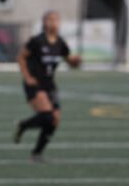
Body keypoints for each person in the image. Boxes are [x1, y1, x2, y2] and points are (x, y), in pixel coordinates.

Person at [13, 10, 81, 162]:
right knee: (47, 115)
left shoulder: (60, 42)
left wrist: (75, 61)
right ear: (44, 22)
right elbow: (21, 57)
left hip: (50, 84)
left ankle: (36, 153)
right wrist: (27, 77)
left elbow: (69, 60)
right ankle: (23, 125)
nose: (54, 23)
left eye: (56, 20)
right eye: (50, 20)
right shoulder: (37, 41)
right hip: (35, 84)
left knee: (55, 120)